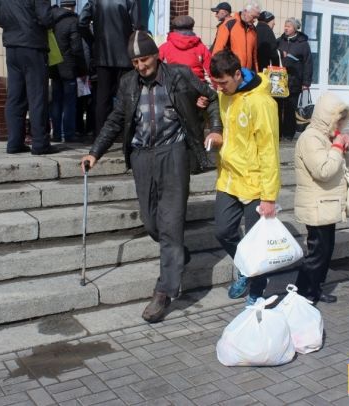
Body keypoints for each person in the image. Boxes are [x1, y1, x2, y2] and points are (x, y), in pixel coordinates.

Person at [80, 31, 223, 323]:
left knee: (170, 223)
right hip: (141, 156)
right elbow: (116, 119)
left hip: (174, 154)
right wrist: (95, 152)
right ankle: (177, 253)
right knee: (152, 223)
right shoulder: (127, 82)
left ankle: (164, 291)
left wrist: (216, 129)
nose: (140, 66)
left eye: (144, 59)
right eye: (135, 62)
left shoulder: (179, 75)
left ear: (156, 55)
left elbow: (211, 97)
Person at [205, 50, 280, 306]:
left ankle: (257, 291)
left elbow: (269, 151)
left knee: (255, 243)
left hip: (255, 183)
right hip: (229, 179)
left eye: (223, 82)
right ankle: (246, 270)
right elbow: (222, 123)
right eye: (216, 83)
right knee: (223, 231)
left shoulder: (261, 103)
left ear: (238, 74)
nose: (220, 88)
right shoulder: (223, 94)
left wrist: (269, 196)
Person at [293, 92, 349, 304]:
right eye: (337, 119)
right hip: (316, 205)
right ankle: (302, 295)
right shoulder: (310, 138)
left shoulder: (327, 136)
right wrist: (337, 147)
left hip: (327, 203)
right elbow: (323, 171)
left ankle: (315, 289)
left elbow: (343, 166)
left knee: (325, 252)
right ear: (326, 117)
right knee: (317, 254)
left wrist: (345, 147)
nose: (340, 124)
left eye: (342, 120)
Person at [0, 0, 57, 155]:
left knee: (15, 97)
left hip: (12, 46)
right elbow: (46, 18)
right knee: (37, 96)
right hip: (33, 45)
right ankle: (40, 144)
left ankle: (15, 143)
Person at [78, 0, 140, 139]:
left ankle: (101, 135)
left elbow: (81, 22)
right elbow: (137, 27)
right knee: (127, 96)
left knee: (102, 97)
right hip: (125, 55)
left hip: (103, 54)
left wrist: (94, 41)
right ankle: (127, 135)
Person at [50, 0, 86, 143]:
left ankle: (57, 134)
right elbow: (77, 48)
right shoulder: (72, 20)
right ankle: (69, 134)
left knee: (56, 101)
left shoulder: (51, 18)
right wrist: (83, 69)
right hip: (69, 68)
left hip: (54, 66)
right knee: (69, 102)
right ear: (73, 6)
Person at [276, 17, 312, 140]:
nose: (286, 28)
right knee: (278, 107)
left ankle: (288, 133)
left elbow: (308, 63)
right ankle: (278, 132)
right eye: (285, 26)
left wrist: (306, 82)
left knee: (290, 108)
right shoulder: (280, 41)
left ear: (295, 28)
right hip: (279, 81)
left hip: (295, 80)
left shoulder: (303, 44)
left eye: (289, 26)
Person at [159, 15, 212, 84]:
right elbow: (211, 69)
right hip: (197, 86)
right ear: (192, 29)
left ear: (174, 29)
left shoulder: (165, 47)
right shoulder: (201, 47)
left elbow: (155, 67)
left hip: (173, 85)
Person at [211, 1, 260, 71]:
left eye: (257, 18)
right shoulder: (229, 24)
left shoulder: (253, 29)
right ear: (245, 11)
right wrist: (217, 72)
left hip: (247, 73)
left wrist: (255, 72)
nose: (255, 20)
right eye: (253, 17)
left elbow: (254, 56)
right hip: (231, 72)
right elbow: (217, 51)